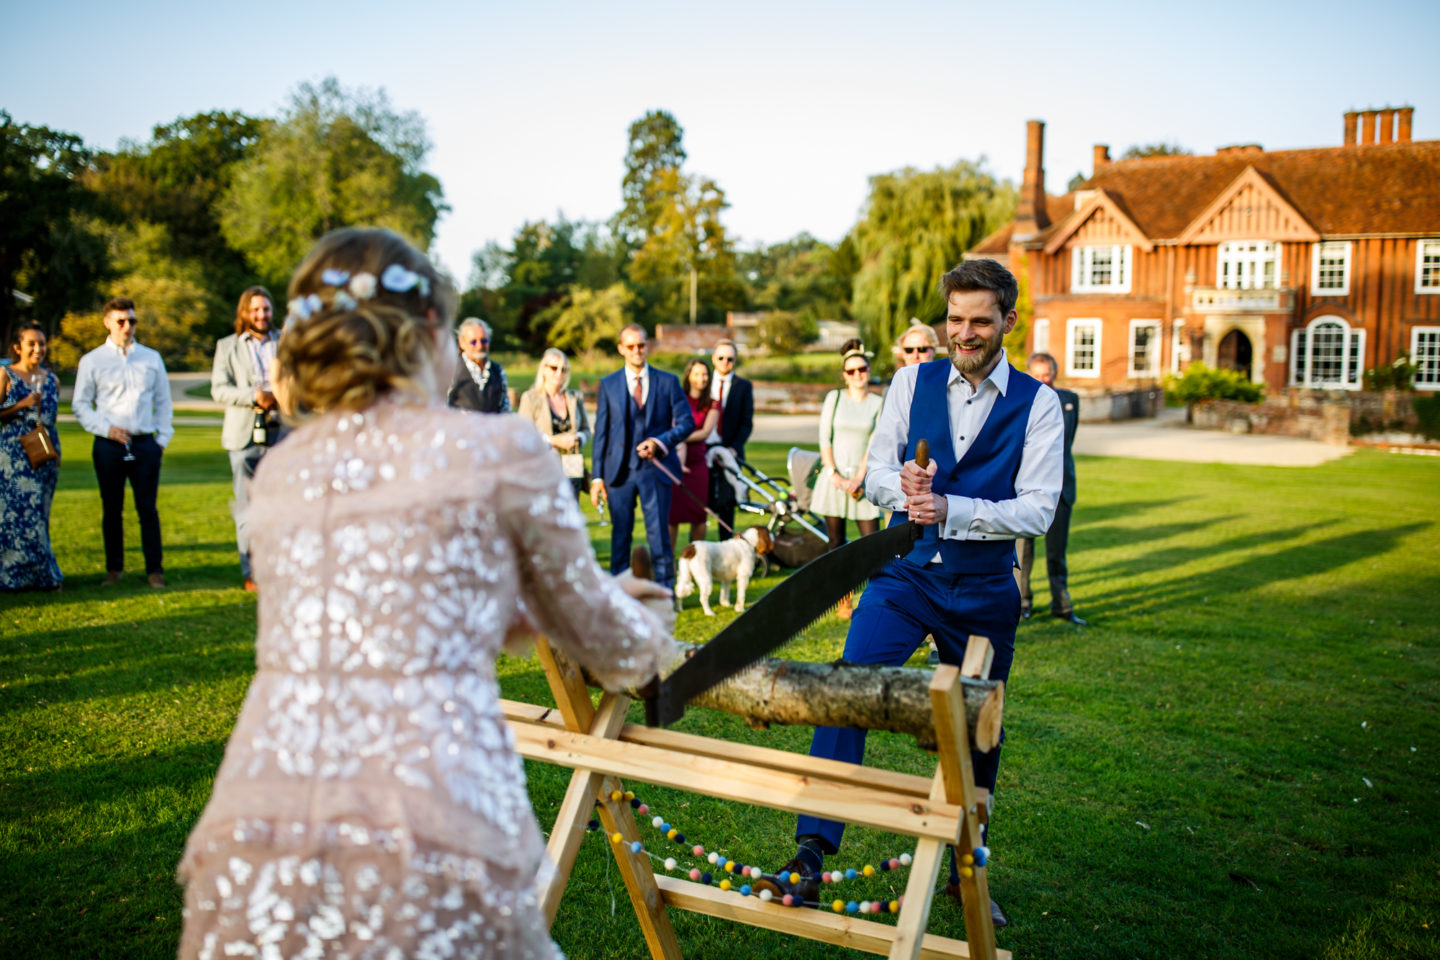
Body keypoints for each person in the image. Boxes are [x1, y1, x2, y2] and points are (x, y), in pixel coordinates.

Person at [177, 227, 677, 960]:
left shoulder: (283, 472)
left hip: (265, 814)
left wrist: (533, 605)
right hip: (428, 811)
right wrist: (645, 623)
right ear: (433, 330)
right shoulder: (500, 448)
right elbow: (604, 640)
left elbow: (404, 609)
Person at [764, 259, 1063, 929]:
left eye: (980, 320)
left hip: (986, 587)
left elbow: (1039, 509)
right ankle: (811, 851)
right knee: (846, 686)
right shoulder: (909, 379)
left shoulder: (1040, 405)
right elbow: (873, 475)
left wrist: (951, 508)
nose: (965, 333)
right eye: (955, 319)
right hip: (905, 575)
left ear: (1008, 321)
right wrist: (906, 492)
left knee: (975, 728)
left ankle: (969, 866)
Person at [73, 297, 173, 588]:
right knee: (112, 508)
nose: (127, 326)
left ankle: (155, 570)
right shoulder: (92, 360)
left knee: (148, 509)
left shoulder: (151, 358)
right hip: (109, 445)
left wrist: (161, 440)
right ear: (107, 322)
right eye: (121, 321)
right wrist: (106, 429)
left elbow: (163, 402)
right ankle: (113, 569)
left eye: (132, 320)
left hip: (145, 444)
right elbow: (81, 405)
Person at [589, 324, 692, 590]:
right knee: (620, 537)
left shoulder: (667, 382)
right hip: (618, 473)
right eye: (631, 346)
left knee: (659, 537)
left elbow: (686, 423)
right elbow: (601, 433)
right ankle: (619, 596)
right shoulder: (608, 384)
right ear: (621, 349)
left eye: (641, 345)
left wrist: (660, 441)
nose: (637, 351)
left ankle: (666, 593)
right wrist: (597, 477)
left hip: (654, 471)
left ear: (647, 346)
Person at [210, 286, 282, 592]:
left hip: (283, 432)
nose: (261, 315)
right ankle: (251, 571)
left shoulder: (285, 342)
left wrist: (279, 396)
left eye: (265, 309)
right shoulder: (227, 346)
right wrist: (253, 395)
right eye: (255, 310)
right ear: (244, 312)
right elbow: (219, 389)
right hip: (244, 435)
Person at [810, 339, 883, 619]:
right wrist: (834, 474)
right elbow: (824, 438)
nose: (857, 375)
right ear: (844, 374)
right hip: (834, 480)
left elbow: (875, 442)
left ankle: (876, 600)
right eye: (850, 371)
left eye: (861, 369)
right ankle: (843, 600)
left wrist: (860, 478)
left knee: (872, 544)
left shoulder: (878, 403)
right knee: (836, 543)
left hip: (862, 481)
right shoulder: (834, 398)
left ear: (868, 369)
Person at [1018, 352, 1085, 624]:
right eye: (1037, 375)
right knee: (1022, 551)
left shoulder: (1070, 401)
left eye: (1047, 374)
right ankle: (1021, 603)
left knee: (1058, 551)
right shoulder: (1021, 402)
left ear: (1055, 374)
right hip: (1025, 488)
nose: (1043, 380)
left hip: (1061, 487)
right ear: (1028, 374)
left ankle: (1062, 604)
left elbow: (1067, 443)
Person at [0, 322, 63, 591]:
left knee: (39, 514)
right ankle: (11, 575)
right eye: (32, 343)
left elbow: (52, 419)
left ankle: (42, 575)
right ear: (18, 347)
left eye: (42, 343)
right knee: (13, 514)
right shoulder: (5, 375)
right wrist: (21, 405)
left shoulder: (52, 379)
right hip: (11, 453)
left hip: (43, 452)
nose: (38, 349)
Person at [516, 347, 592, 500]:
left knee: (571, 512)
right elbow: (523, 435)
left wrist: (577, 438)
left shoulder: (574, 397)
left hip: (572, 466)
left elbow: (586, 430)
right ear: (544, 369)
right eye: (554, 368)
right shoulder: (530, 398)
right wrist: (553, 441)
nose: (559, 373)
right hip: (543, 466)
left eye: (563, 369)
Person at [668, 358, 720, 550]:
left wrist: (677, 437)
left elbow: (705, 432)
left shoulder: (713, 404)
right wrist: (674, 440)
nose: (701, 378)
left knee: (699, 515)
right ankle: (669, 561)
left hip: (697, 463)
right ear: (688, 376)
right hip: (675, 460)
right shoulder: (678, 398)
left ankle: (696, 558)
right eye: (697, 373)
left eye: (705, 374)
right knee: (672, 516)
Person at [705, 339, 753, 540]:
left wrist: (734, 447)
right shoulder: (704, 382)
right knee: (702, 501)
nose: (725, 362)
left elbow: (746, 422)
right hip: (704, 449)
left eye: (730, 358)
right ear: (714, 359)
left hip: (730, 450)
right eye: (721, 358)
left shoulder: (743, 386)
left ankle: (725, 546)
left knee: (727, 503)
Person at [447, 317, 511, 412]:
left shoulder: (498, 371)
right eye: (473, 342)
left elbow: (505, 409)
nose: (479, 346)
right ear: (462, 343)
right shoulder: (451, 371)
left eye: (484, 340)